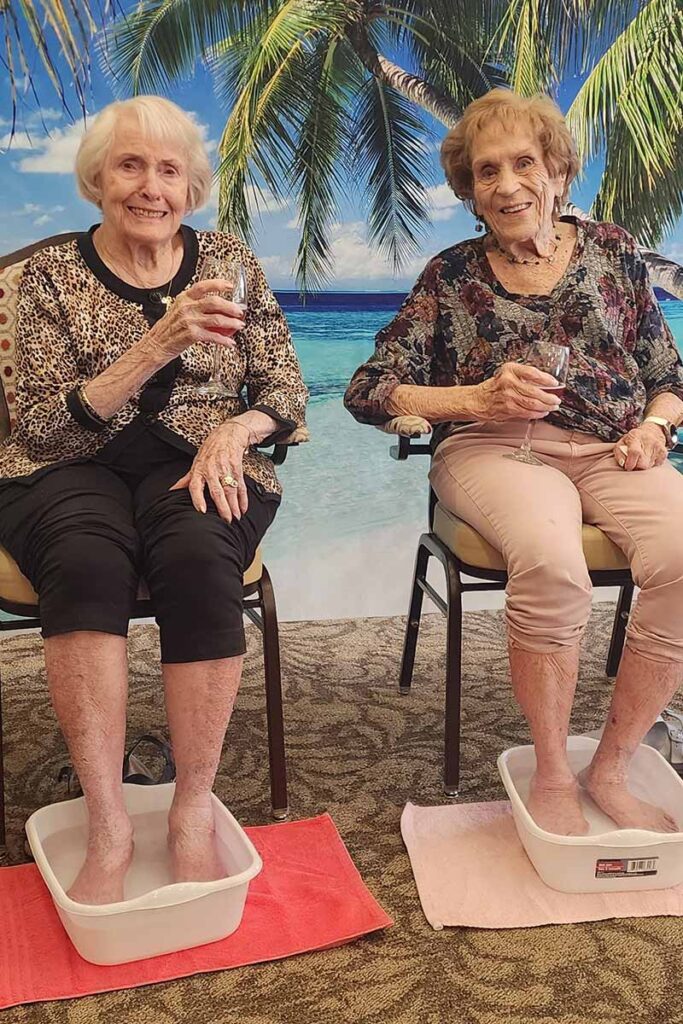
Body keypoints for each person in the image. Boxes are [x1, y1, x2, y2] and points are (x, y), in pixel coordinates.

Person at [345, 89, 683, 837]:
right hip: (494, 450)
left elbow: (669, 374)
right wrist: (475, 397)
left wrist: (656, 429)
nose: (505, 185)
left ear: (556, 170)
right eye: (485, 172)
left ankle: (614, 765)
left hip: (610, 448)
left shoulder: (613, 251)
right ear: (468, 191)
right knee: (552, 562)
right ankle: (554, 772)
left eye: (523, 163)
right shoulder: (449, 274)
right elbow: (367, 391)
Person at [0, 96, 308, 902]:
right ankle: (106, 819)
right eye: (129, 165)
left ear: (190, 187)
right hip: (69, 465)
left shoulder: (228, 256)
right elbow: (37, 425)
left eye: (168, 169)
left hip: (201, 459)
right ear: (97, 179)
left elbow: (283, 383)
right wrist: (158, 342)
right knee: (85, 562)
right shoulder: (50, 275)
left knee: (201, 557)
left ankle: (190, 808)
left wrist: (235, 431)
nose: (149, 186)